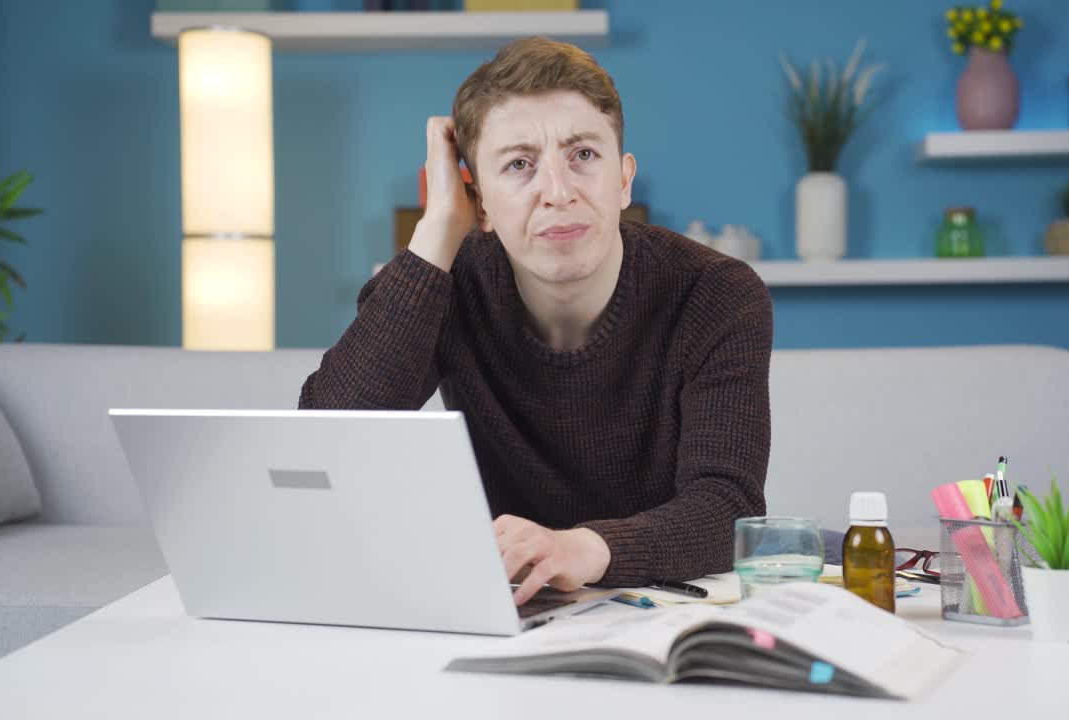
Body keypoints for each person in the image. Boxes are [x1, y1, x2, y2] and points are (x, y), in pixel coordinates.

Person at [299, 36, 772, 606]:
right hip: (508, 605)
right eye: (519, 165)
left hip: (662, 604)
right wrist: (437, 228)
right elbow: (326, 440)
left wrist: (581, 549)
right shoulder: (449, 283)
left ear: (623, 180)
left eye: (583, 156)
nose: (558, 192)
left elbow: (727, 506)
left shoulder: (716, 292)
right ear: (481, 203)